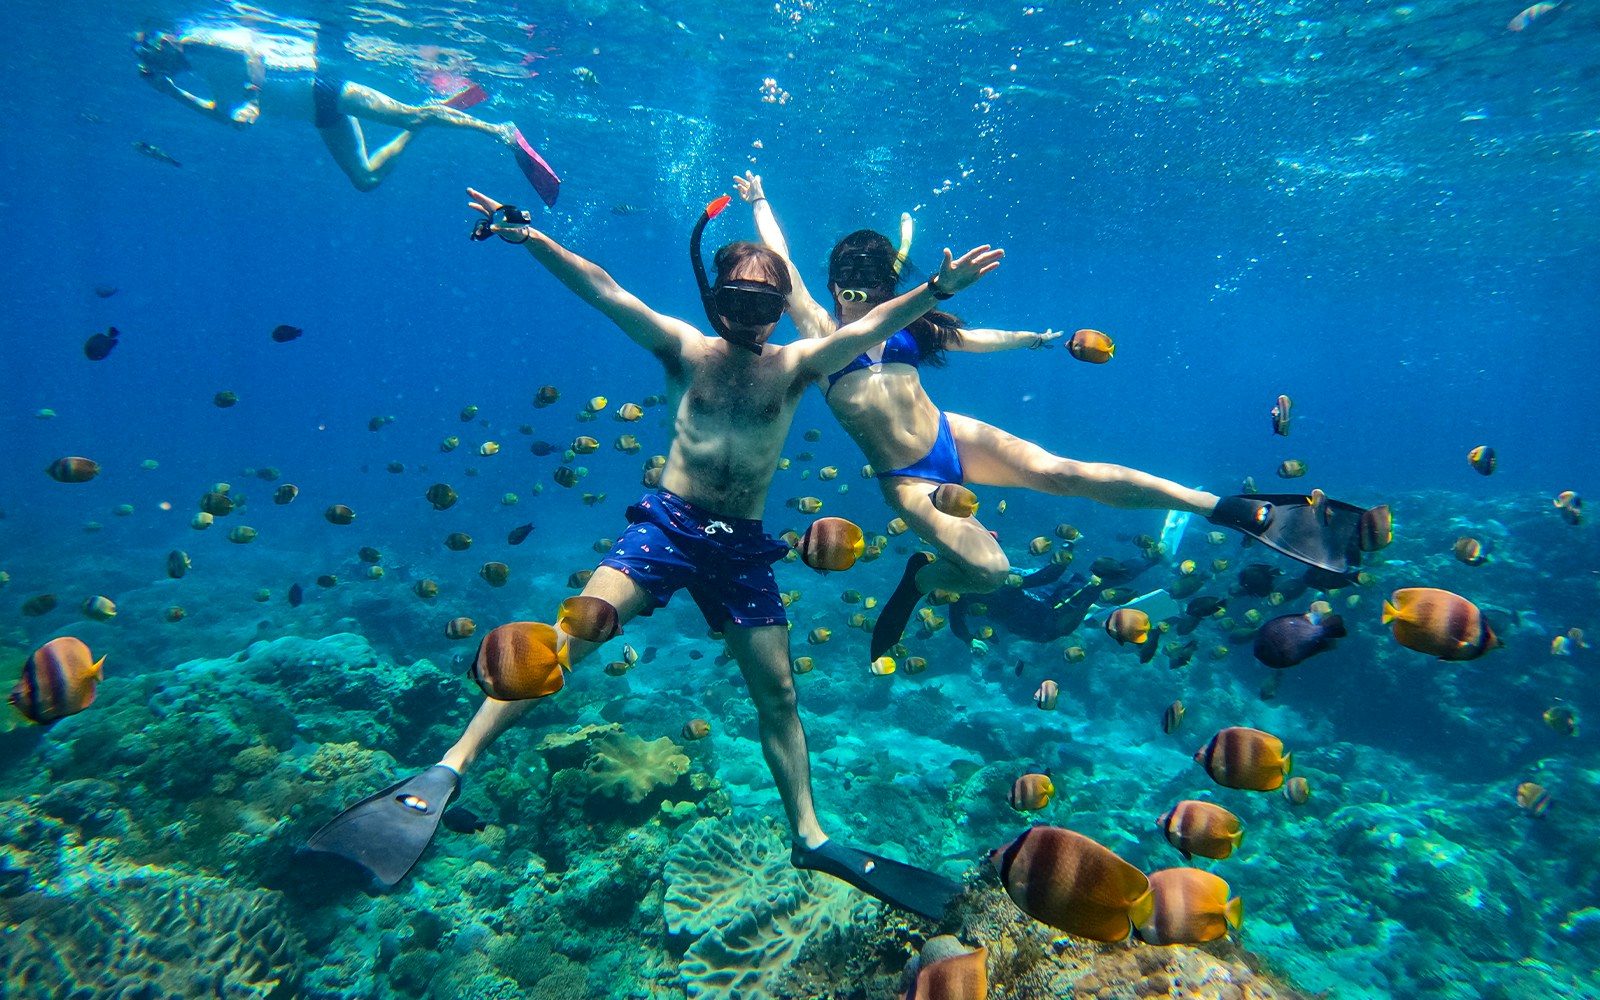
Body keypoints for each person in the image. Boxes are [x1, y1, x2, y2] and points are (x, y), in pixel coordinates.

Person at [308, 186, 1004, 921]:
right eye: (739, 301)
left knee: (781, 696)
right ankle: (448, 768)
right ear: (714, 301)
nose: (754, 319)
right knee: (566, 644)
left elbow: (874, 324)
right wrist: (534, 239)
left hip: (741, 547)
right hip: (667, 528)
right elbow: (603, 289)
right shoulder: (685, 348)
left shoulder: (798, 362)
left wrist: (936, 291)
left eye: (768, 306)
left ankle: (809, 833)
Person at [735, 172, 1378, 661]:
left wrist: (1030, 341)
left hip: (952, 437)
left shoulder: (910, 323)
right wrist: (760, 201)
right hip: (908, 479)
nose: (853, 304)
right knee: (988, 572)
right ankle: (922, 577)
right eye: (843, 291)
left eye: (867, 293)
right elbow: (783, 266)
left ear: (884, 289)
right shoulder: (819, 331)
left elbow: (973, 339)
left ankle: (1220, 506)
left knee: (1065, 472)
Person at [133, 23, 530, 193]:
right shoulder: (196, 73)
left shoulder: (197, 44)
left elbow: (250, 48)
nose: (157, 65)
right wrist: (171, 92)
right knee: (365, 179)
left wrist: (253, 96)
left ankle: (500, 130)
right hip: (317, 114)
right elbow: (224, 115)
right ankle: (425, 118)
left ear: (166, 42)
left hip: (320, 86)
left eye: (155, 56)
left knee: (409, 112)